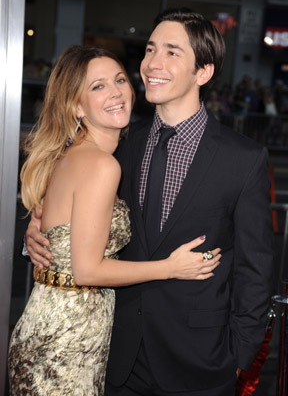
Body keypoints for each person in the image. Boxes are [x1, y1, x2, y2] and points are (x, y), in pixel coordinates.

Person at [25, 7, 274, 396]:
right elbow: (74, 206)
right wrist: (39, 231)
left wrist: (240, 356)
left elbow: (256, 270)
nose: (152, 63)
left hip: (201, 364)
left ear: (203, 72)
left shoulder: (243, 159)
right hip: (116, 357)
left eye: (172, 52)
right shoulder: (121, 141)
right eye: (150, 49)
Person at [9, 45, 222, 396]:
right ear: (76, 106)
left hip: (56, 329)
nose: (116, 92)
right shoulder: (101, 164)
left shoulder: (76, 155)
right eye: (97, 86)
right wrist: (170, 267)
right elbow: (87, 270)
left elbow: (59, 228)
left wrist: (37, 229)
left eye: (120, 80)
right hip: (66, 344)